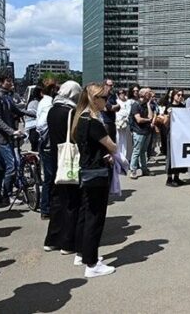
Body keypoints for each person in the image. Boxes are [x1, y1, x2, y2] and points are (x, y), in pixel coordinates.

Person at [71, 83, 120, 277]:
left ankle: (83, 253)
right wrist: (107, 153)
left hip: (87, 170)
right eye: (104, 98)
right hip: (97, 173)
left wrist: (102, 153)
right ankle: (91, 263)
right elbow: (112, 146)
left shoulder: (80, 118)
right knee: (95, 218)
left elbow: (91, 148)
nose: (106, 102)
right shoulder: (93, 122)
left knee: (85, 214)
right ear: (95, 99)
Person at [43, 81, 83, 254]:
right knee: (72, 201)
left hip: (55, 157)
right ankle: (67, 243)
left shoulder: (53, 110)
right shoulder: (71, 112)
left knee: (57, 199)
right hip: (69, 160)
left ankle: (52, 239)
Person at [0, 71, 32, 205]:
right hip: (0, 137)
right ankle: (7, 195)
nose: (11, 83)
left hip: (6, 137)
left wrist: (34, 114)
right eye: (8, 81)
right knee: (11, 166)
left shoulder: (6, 97)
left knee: (0, 168)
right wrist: (12, 131)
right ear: (1, 82)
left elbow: (17, 111)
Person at [35, 77, 58, 219]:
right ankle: (46, 208)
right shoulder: (49, 103)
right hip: (48, 143)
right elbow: (42, 124)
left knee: (50, 177)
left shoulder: (44, 102)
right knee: (50, 177)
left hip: (45, 143)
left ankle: (47, 207)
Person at [163, 89, 188, 187]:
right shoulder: (169, 107)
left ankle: (177, 177)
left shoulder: (182, 107)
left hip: (180, 134)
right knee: (171, 155)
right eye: (178, 95)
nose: (180, 96)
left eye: (181, 95)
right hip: (172, 134)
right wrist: (168, 115)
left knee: (179, 155)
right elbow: (165, 123)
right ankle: (169, 179)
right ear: (173, 96)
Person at [130, 88, 155, 179]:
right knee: (136, 151)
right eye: (148, 93)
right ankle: (133, 170)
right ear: (143, 94)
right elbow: (138, 119)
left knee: (143, 151)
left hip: (146, 131)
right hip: (139, 132)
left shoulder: (146, 105)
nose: (151, 94)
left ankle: (144, 169)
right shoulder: (135, 105)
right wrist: (148, 120)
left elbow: (151, 117)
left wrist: (148, 105)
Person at [115, 88, 132, 162]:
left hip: (125, 123)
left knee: (125, 141)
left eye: (123, 93)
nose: (121, 94)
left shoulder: (128, 102)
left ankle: (125, 157)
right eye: (120, 93)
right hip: (117, 123)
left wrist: (125, 119)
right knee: (118, 140)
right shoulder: (116, 101)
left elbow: (128, 112)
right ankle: (118, 157)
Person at [25, 86, 42, 152]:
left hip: (36, 130)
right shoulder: (34, 103)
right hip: (34, 129)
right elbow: (31, 116)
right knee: (35, 149)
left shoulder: (37, 101)